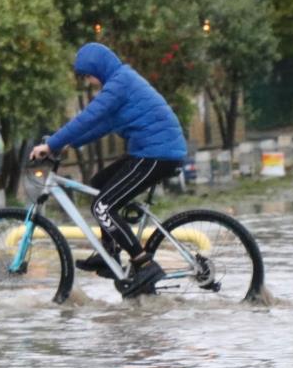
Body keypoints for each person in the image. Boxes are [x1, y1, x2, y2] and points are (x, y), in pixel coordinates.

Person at [30, 42, 187, 298]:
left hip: (158, 154)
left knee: (102, 206)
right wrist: (67, 143)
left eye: (88, 75)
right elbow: (101, 125)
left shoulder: (118, 84)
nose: (90, 82)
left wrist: (51, 144)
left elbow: (88, 117)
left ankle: (143, 263)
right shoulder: (120, 82)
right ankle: (109, 252)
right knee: (98, 183)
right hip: (151, 151)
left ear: (98, 68)